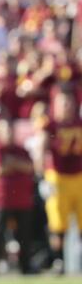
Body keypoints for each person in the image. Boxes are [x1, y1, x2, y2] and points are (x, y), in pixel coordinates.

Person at [0, 119, 36, 274]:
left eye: (11, 131)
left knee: (24, 235)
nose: (9, 134)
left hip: (21, 199)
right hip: (0, 199)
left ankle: (26, 266)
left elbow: (31, 167)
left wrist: (12, 162)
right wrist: (19, 166)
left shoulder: (21, 150)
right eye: (5, 131)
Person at [37, 88, 82, 271]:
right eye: (63, 102)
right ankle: (58, 261)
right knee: (57, 224)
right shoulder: (50, 124)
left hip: (79, 176)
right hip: (57, 177)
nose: (67, 106)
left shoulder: (79, 122)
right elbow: (41, 149)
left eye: (69, 102)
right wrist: (41, 177)